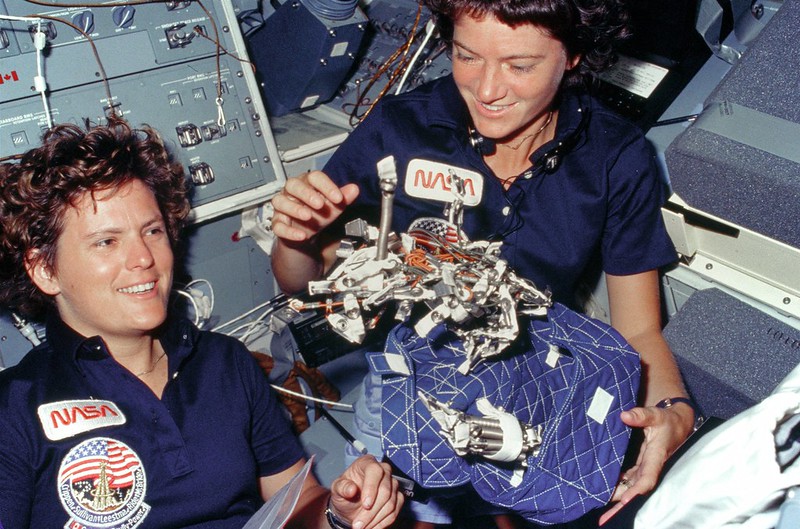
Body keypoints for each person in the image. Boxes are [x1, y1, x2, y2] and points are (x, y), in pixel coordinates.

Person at [269, 0, 698, 525]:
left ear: (575, 56)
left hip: (540, 385)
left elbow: (638, 333)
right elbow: (303, 286)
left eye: (520, 66)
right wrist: (297, 240)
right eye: (467, 56)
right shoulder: (400, 130)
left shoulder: (615, 156)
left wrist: (676, 414)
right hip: (412, 393)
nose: (488, 89)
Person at [0, 119, 404, 529]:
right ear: (43, 269)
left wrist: (341, 511)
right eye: (107, 241)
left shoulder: (224, 361)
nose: (144, 258)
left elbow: (296, 501)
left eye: (152, 230)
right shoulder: (13, 409)